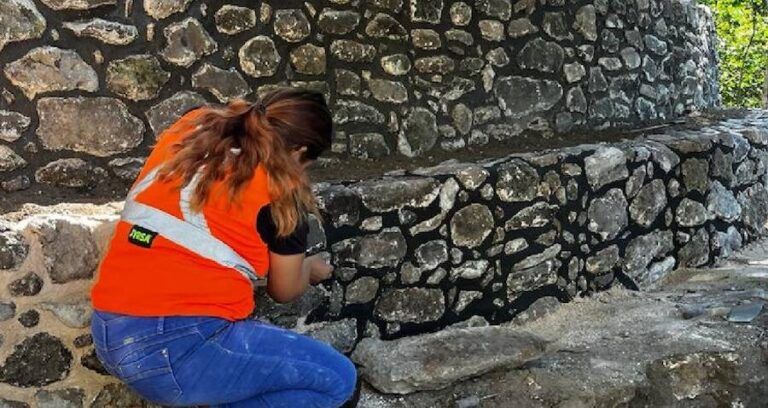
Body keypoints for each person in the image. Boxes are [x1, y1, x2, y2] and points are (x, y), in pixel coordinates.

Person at [89, 88, 357, 407]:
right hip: (178, 344)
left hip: (109, 331)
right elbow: (284, 289)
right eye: (307, 164)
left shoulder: (191, 129)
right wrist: (309, 268)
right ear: (299, 151)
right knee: (338, 380)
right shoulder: (280, 195)